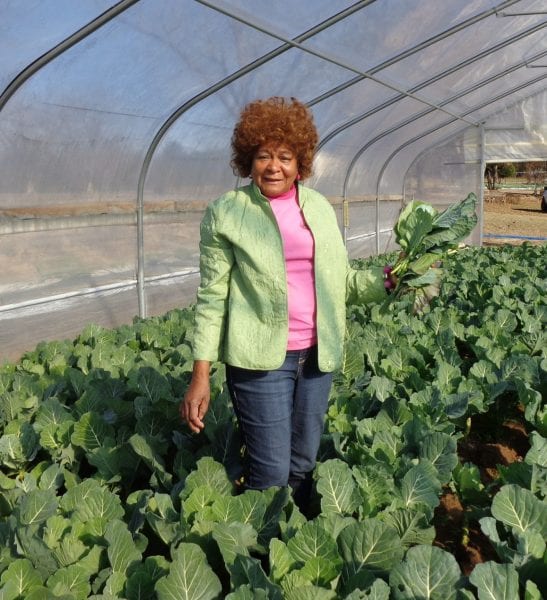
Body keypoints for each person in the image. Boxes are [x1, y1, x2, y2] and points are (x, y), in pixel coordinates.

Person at [180, 96, 395, 513]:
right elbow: (212, 298)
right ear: (248, 160)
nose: (273, 166)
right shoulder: (227, 212)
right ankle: (255, 563)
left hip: (317, 356)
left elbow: (341, 282)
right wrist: (201, 373)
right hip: (261, 362)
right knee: (270, 472)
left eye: (284, 156)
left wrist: (386, 281)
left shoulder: (317, 208)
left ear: (301, 163)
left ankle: (287, 541)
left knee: (301, 464)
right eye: (263, 156)